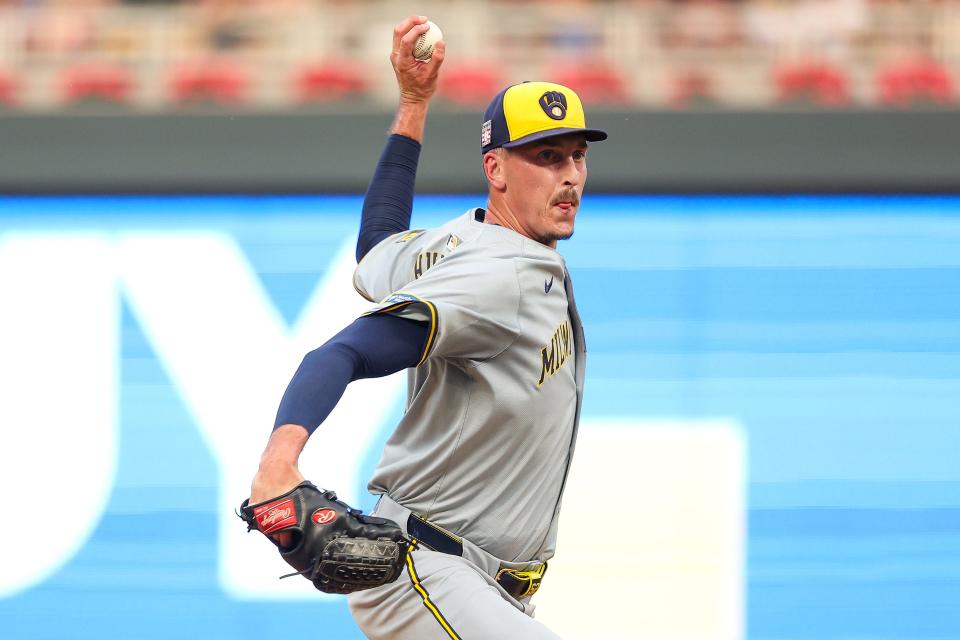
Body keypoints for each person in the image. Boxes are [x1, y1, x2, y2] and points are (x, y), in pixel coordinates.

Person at [247, 15, 606, 640]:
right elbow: (348, 350)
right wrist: (281, 460)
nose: (570, 175)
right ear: (496, 170)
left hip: (474, 582)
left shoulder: (457, 242)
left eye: (577, 156)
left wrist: (414, 103)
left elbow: (377, 244)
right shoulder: (500, 273)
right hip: (432, 571)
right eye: (546, 158)